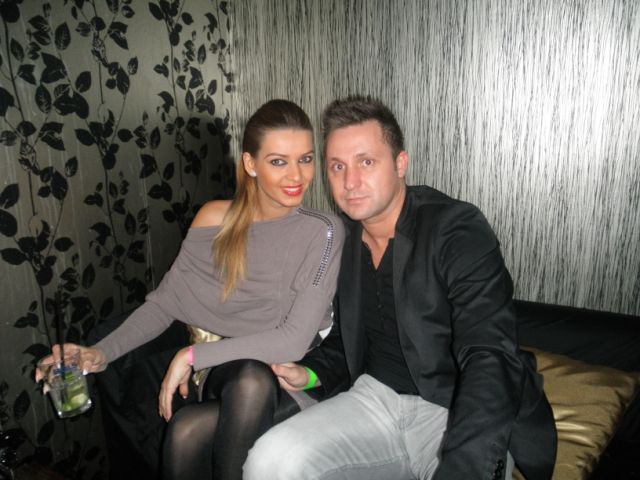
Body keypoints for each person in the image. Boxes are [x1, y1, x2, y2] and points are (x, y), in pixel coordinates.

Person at [244, 96, 557, 480]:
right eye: (337, 166)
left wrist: (465, 465)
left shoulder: (456, 230)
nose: (350, 182)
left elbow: (488, 353)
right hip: (372, 401)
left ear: (400, 164)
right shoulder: (340, 239)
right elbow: (346, 339)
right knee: (267, 462)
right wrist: (309, 374)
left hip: (453, 410)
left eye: (366, 162)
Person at [36, 99, 345, 480]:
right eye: (278, 161)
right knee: (241, 381)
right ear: (250, 163)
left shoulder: (323, 231)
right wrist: (99, 354)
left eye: (306, 159)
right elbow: (166, 304)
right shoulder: (214, 219)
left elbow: (293, 341)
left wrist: (192, 355)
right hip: (223, 372)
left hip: (287, 377)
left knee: (187, 430)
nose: (296, 175)